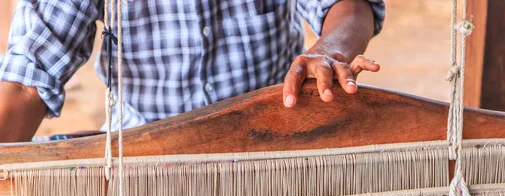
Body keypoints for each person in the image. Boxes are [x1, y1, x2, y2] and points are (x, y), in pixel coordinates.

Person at [0, 0, 384, 142]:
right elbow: (26, 82)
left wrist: (331, 50)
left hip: (274, 145)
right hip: (142, 157)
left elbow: (350, 5)